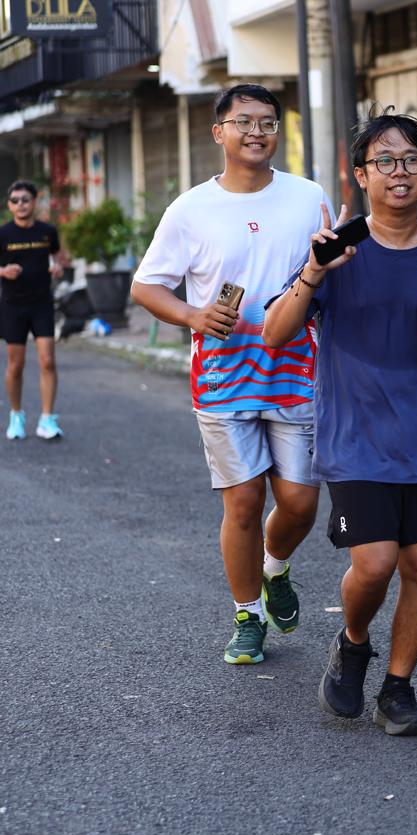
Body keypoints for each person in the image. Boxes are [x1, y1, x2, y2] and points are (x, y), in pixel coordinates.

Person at [263, 109, 417, 737]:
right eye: (384, 161)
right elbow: (276, 332)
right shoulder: (338, 250)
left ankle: (398, 688)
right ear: (361, 175)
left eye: (411, 160)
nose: (399, 172)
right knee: (375, 564)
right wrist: (314, 270)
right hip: (355, 438)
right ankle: (353, 642)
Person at [132, 84, 327, 665]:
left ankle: (275, 568)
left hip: (298, 372)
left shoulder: (307, 196)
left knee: (300, 503)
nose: (257, 132)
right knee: (242, 502)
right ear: (219, 132)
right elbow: (146, 286)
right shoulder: (190, 209)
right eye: (244, 121)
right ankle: (247, 616)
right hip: (223, 376)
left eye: (268, 122)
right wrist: (193, 315)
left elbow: (331, 269)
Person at [1, 181, 65, 441]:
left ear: (34, 201)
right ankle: (16, 415)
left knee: (47, 360)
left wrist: (57, 267)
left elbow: (58, 256)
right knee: (15, 365)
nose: (20, 205)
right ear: (9, 205)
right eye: (15, 200)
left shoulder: (47, 232)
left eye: (25, 199)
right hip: (12, 305)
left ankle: (47, 419)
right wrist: (3, 271)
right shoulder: (3, 234)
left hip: (41, 304)